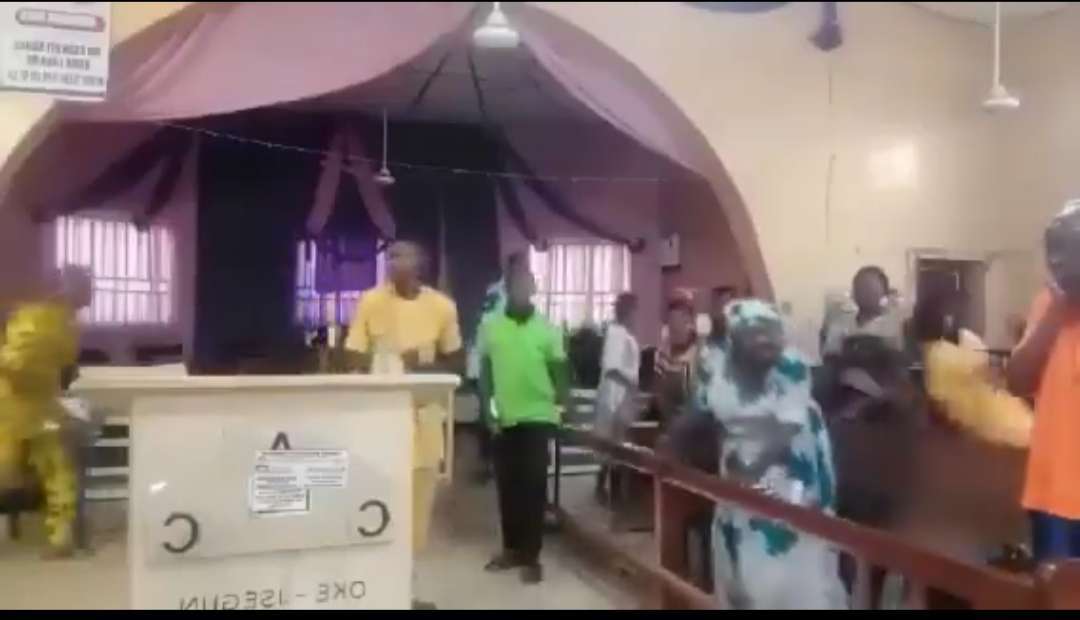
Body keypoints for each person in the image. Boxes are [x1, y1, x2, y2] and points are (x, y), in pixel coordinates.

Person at [690, 299, 846, 609]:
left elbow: (787, 429)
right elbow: (705, 412)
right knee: (740, 554)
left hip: (791, 464)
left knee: (791, 546)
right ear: (735, 337)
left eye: (771, 330)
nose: (765, 339)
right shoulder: (714, 366)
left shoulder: (791, 365)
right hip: (737, 468)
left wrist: (750, 471)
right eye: (754, 331)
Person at [343, 240, 463, 609]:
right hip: (378, 426)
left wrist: (420, 366)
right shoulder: (370, 301)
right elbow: (351, 357)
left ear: (420, 263)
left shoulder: (442, 307)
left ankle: (405, 593)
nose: (393, 261)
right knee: (375, 506)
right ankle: (370, 589)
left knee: (415, 516)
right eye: (390, 256)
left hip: (424, 426)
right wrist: (376, 365)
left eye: (402, 255)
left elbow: (457, 364)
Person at [480, 268, 569, 584]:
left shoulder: (547, 329)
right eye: (516, 284)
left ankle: (531, 556)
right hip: (505, 417)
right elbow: (485, 373)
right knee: (508, 486)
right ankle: (511, 549)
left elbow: (560, 374)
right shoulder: (490, 327)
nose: (522, 289)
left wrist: (560, 410)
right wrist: (488, 411)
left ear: (533, 289)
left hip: (538, 417)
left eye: (527, 284)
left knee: (533, 487)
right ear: (508, 288)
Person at [0, 265, 90, 558]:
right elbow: (18, 362)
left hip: (32, 403)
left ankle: (61, 536)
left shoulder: (59, 319)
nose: (90, 295)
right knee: (47, 469)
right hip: (19, 402)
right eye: (87, 287)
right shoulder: (45, 318)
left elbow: (27, 362)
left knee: (54, 469)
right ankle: (60, 535)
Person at [1007, 200, 1080, 563]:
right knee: (1055, 591)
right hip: (1053, 495)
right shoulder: (1047, 305)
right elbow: (1018, 381)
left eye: (1070, 249)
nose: (1059, 262)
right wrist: (1057, 311)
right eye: (1056, 252)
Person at [915, 292, 1031, 448]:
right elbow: (939, 397)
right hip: (969, 411)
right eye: (947, 313)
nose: (952, 317)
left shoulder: (966, 337)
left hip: (991, 400)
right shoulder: (936, 351)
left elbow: (989, 367)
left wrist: (995, 372)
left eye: (953, 312)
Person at [467, 251, 526, 484]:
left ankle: (506, 461)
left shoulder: (522, 295)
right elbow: (487, 326)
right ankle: (487, 462)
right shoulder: (495, 293)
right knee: (489, 414)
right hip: (489, 361)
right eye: (520, 267)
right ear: (510, 269)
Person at [593, 293, 640, 504]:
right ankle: (612, 492)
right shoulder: (617, 334)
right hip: (615, 397)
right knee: (614, 447)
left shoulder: (624, 335)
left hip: (620, 397)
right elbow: (611, 368)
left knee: (615, 447)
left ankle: (609, 489)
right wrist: (631, 385)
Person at [654, 297, 698, 425]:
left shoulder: (701, 353)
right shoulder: (662, 354)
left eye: (678, 323)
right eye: (671, 325)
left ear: (689, 322)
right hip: (669, 423)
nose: (674, 330)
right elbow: (659, 392)